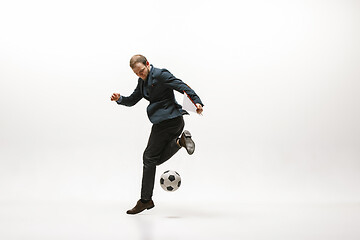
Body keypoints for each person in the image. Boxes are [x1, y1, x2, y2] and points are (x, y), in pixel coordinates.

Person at [111, 54, 204, 215]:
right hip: (168, 122)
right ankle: (180, 142)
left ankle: (145, 200)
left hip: (168, 121)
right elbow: (133, 100)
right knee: (153, 160)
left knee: (149, 158)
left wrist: (196, 101)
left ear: (147, 64)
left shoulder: (160, 74)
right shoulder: (142, 82)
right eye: (136, 74)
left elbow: (181, 85)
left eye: (141, 71)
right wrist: (120, 99)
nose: (140, 75)